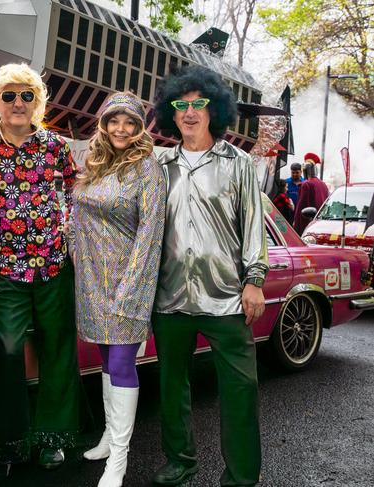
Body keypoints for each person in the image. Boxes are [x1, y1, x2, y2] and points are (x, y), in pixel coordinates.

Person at [0, 63, 81, 482]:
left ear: (38, 102)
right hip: (3, 269)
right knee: (8, 354)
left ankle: (53, 439)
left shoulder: (56, 147)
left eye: (27, 95)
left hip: (53, 266)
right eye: (9, 95)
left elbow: (75, 193)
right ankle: (9, 443)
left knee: (57, 351)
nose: (18, 103)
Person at [152, 66, 268, 487]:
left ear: (214, 109)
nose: (189, 112)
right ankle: (179, 462)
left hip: (226, 297)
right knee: (171, 388)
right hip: (170, 299)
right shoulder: (159, 164)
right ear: (171, 112)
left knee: (240, 390)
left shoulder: (239, 164)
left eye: (198, 103)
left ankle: (240, 476)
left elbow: (253, 226)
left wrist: (254, 279)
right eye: (181, 105)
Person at [71, 92, 166, 487]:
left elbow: (151, 236)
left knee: (124, 365)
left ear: (140, 126)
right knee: (108, 363)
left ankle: (119, 461)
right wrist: (74, 249)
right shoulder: (95, 164)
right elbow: (76, 213)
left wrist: (132, 289)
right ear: (104, 124)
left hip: (130, 282)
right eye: (114, 121)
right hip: (92, 283)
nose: (121, 129)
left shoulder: (148, 168)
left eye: (130, 122)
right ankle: (109, 438)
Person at [293, 162, 329, 234]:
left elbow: (301, 206)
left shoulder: (306, 184)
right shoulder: (323, 184)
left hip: (308, 223)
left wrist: (296, 224)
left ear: (305, 172)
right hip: (321, 222)